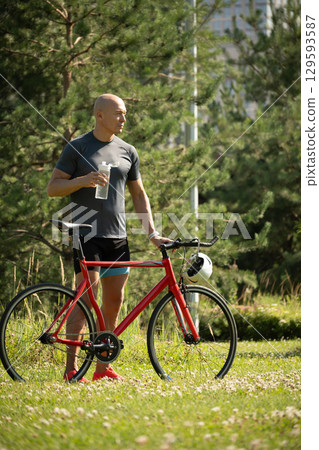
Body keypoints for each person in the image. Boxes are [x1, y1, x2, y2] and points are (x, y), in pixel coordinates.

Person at [47, 93, 170, 382]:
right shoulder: (78, 147)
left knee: (114, 300)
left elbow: (139, 194)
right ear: (99, 115)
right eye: (118, 113)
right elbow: (53, 187)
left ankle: (102, 368)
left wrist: (151, 232)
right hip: (86, 234)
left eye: (125, 113)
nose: (124, 118)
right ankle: (71, 369)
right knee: (85, 299)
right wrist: (82, 181)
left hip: (117, 236)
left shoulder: (128, 150)